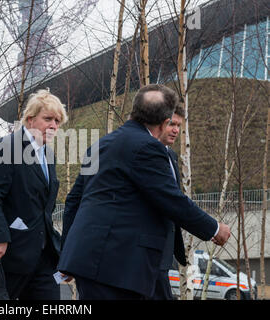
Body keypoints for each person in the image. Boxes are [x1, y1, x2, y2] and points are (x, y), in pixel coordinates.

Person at [58, 84, 230, 300]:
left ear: (135, 110)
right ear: (164, 122)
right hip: (118, 266)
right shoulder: (148, 148)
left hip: (91, 260)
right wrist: (214, 228)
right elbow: (171, 199)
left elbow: (74, 200)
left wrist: (67, 253)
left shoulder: (101, 145)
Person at [0, 89, 68, 300]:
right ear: (30, 119)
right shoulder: (6, 148)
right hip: (7, 255)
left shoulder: (48, 156)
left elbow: (42, 210)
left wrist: (63, 254)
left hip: (42, 258)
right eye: (48, 119)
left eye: (58, 121)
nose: (53, 126)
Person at [149, 105, 185, 300]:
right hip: (146, 251)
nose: (176, 130)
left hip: (165, 251)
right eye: (172, 124)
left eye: (179, 125)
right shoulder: (145, 154)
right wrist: (212, 228)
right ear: (160, 123)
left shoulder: (171, 156)